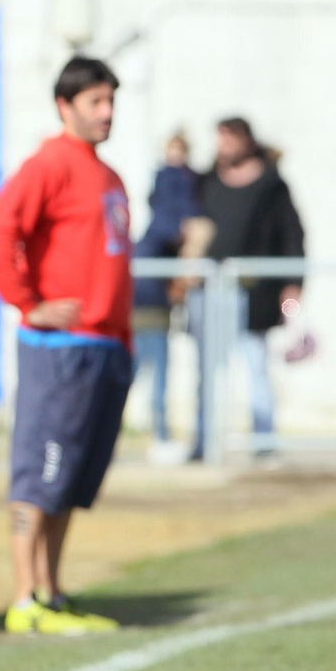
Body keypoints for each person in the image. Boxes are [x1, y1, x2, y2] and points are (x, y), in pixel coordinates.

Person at [0, 57, 133, 636]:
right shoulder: (50, 164)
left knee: (72, 480)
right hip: (59, 349)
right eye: (95, 101)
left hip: (103, 348)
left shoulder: (108, 176)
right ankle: (24, 599)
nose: (107, 111)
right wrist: (28, 301)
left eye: (111, 100)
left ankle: (53, 593)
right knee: (41, 471)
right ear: (66, 106)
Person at [188, 117, 306, 459]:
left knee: (255, 366)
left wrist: (293, 287)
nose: (224, 146)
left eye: (230, 138)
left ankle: (264, 441)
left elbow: (292, 235)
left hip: (256, 296)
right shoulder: (207, 181)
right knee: (207, 371)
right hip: (209, 293)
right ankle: (204, 443)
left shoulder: (271, 185)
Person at [133, 132, 200, 461]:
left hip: (145, 307)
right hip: (147, 310)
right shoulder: (172, 201)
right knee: (155, 378)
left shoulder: (167, 190)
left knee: (139, 378)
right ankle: (160, 436)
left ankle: (157, 435)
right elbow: (173, 227)